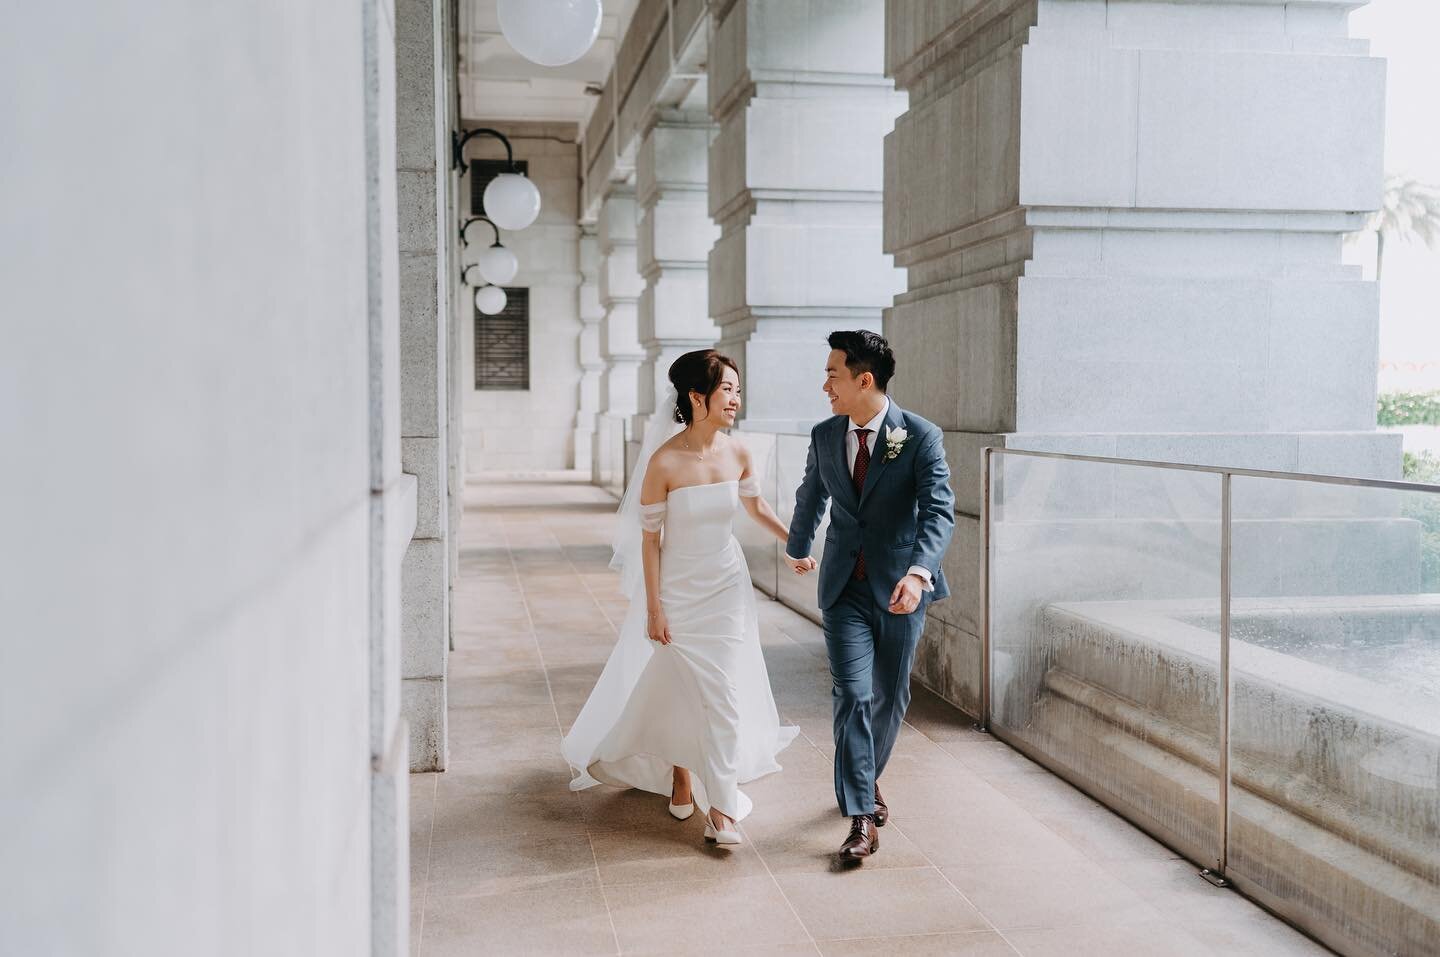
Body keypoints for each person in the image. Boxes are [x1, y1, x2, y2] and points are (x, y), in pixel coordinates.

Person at [562, 349, 801, 845]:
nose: (736, 399)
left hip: (726, 586)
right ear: (697, 396)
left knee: (724, 691)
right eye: (727, 390)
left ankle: (723, 810)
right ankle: (680, 774)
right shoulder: (664, 462)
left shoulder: (738, 452)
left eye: (737, 389)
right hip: (679, 589)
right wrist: (654, 608)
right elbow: (650, 541)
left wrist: (793, 545)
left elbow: (756, 506)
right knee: (679, 685)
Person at [784, 330, 956, 861]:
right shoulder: (824, 434)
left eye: (833, 375)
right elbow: (811, 494)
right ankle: (862, 815)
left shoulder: (920, 436)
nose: (825, 386)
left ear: (864, 380)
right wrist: (797, 546)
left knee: (891, 695)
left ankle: (862, 779)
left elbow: (939, 511)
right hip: (843, 587)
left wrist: (919, 573)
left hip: (901, 588)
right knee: (853, 695)